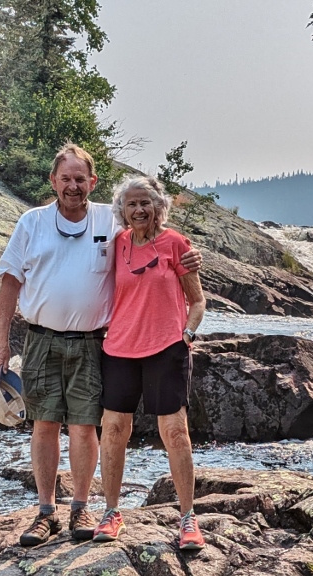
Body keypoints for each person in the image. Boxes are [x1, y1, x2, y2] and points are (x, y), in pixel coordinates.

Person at [0, 144, 201, 547]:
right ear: (53, 181)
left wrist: (191, 260)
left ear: (93, 182)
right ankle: (46, 512)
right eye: (65, 178)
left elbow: (166, 245)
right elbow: (9, 281)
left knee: (86, 427)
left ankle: (84, 507)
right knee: (45, 424)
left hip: (94, 342)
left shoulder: (111, 217)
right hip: (44, 340)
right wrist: (1, 343)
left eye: (80, 179)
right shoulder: (32, 222)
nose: (73, 186)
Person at [92, 175, 206, 550]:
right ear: (122, 211)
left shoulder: (176, 244)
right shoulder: (118, 243)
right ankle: (111, 512)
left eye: (146, 203)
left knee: (175, 432)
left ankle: (188, 520)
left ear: (159, 206)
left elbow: (198, 301)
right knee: (112, 431)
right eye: (131, 204)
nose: (139, 209)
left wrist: (186, 336)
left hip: (166, 349)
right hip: (119, 349)